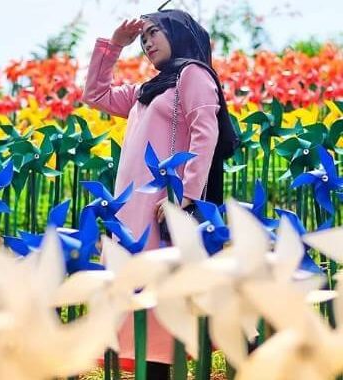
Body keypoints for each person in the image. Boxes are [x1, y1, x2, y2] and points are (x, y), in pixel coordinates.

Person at [82, 8, 238, 379]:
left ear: (179, 32)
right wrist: (113, 47)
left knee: (161, 292)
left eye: (154, 33)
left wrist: (185, 197)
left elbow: (206, 134)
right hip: (131, 208)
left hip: (163, 204)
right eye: (143, 38)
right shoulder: (145, 90)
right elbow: (96, 94)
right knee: (137, 293)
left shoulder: (193, 75)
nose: (147, 42)